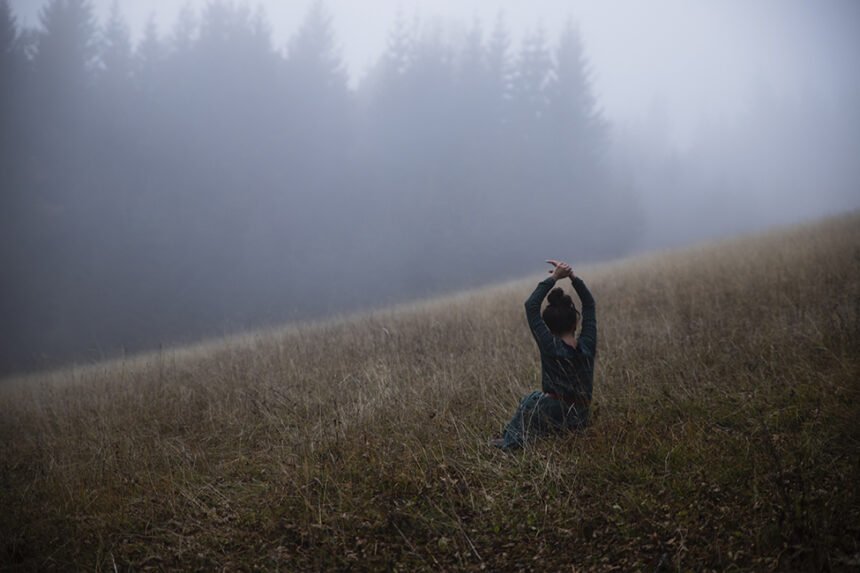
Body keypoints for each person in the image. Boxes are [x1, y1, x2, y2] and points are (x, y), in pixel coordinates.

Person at [490, 260, 597, 450]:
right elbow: (589, 304)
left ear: (549, 329)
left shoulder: (549, 345)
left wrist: (554, 277)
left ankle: (511, 442)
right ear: (575, 324)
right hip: (581, 414)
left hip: (556, 412)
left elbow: (531, 306)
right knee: (538, 400)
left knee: (532, 400)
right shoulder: (588, 344)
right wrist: (572, 277)